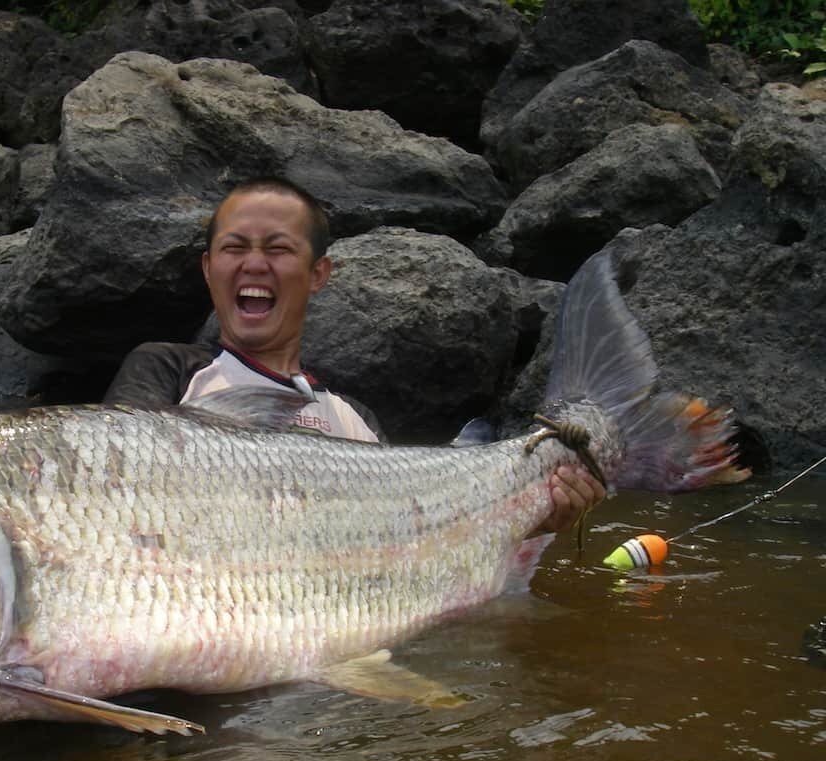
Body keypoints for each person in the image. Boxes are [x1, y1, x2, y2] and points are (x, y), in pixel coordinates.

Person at [104, 176, 603, 533]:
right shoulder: (167, 370)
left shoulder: (353, 419)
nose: (253, 263)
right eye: (234, 248)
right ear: (208, 268)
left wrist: (536, 519)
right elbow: (118, 494)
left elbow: (413, 537)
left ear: (318, 274)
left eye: (277, 249)